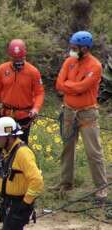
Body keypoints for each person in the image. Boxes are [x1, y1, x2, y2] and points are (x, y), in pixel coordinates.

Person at [54, 30, 108, 202]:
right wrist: (70, 85)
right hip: (69, 110)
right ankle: (65, 183)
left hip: (87, 113)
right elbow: (59, 84)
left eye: (74, 47)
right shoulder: (69, 61)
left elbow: (81, 88)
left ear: (85, 48)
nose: (71, 49)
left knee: (94, 151)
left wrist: (69, 85)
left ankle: (101, 187)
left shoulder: (95, 66)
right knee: (67, 148)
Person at [0, 38, 45, 188]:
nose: (18, 61)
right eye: (15, 58)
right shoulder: (2, 70)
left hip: (23, 117)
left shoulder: (33, 72)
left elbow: (39, 93)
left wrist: (35, 109)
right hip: (5, 116)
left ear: (25, 56)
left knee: (20, 148)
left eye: (20, 58)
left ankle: (20, 178)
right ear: (10, 57)